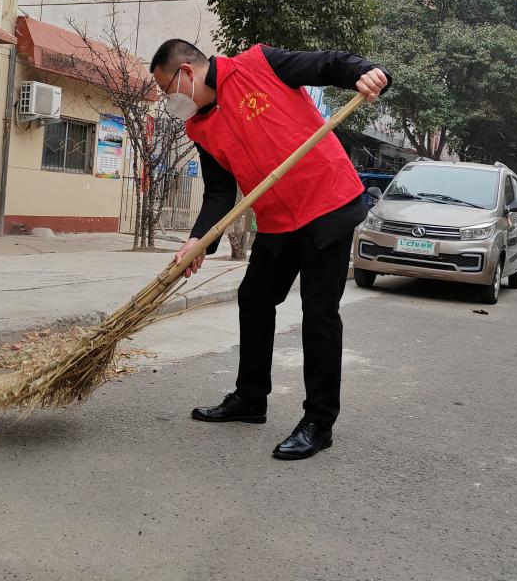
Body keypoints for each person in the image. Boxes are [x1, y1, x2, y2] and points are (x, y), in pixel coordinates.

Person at [149, 39, 390, 460]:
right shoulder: (199, 127)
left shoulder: (259, 64)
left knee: (319, 312)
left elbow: (327, 63)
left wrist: (365, 72)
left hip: (327, 203)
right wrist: (197, 240)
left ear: (186, 73)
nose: (170, 101)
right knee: (255, 298)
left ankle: (319, 422)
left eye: (167, 90)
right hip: (278, 221)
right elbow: (220, 192)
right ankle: (250, 398)